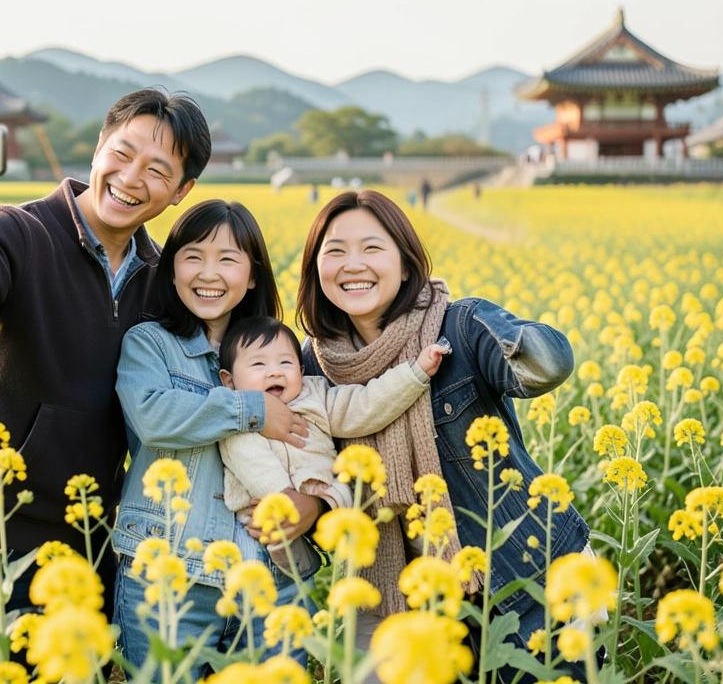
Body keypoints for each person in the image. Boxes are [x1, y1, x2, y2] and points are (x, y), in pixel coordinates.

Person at [0, 89, 218, 670]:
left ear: (181, 192)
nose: (130, 177)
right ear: (97, 149)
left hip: (86, 534)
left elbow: (221, 352)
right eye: (123, 152)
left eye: (157, 170)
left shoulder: (161, 278)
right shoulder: (15, 234)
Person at [295, 190, 592, 676]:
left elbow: (547, 365)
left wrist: (514, 341)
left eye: (372, 248)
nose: (354, 264)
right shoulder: (313, 367)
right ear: (315, 270)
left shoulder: (458, 326)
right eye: (335, 251)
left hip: (526, 577)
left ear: (407, 265)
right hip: (404, 598)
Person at [112, 200, 315, 677]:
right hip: (168, 574)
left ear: (251, 276)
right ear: (172, 269)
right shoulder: (149, 344)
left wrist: (317, 504)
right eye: (193, 256)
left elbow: (323, 439)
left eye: (227, 259)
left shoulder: (287, 353)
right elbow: (154, 417)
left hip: (272, 574)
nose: (209, 273)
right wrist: (252, 409)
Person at [217, 316, 449, 569]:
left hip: (326, 502)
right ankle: (293, 561)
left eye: (286, 362)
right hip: (264, 515)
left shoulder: (315, 396)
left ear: (302, 372)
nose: (275, 371)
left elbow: (364, 405)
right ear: (229, 381)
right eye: (258, 364)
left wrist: (415, 373)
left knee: (347, 494)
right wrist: (283, 497)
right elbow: (249, 459)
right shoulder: (236, 418)